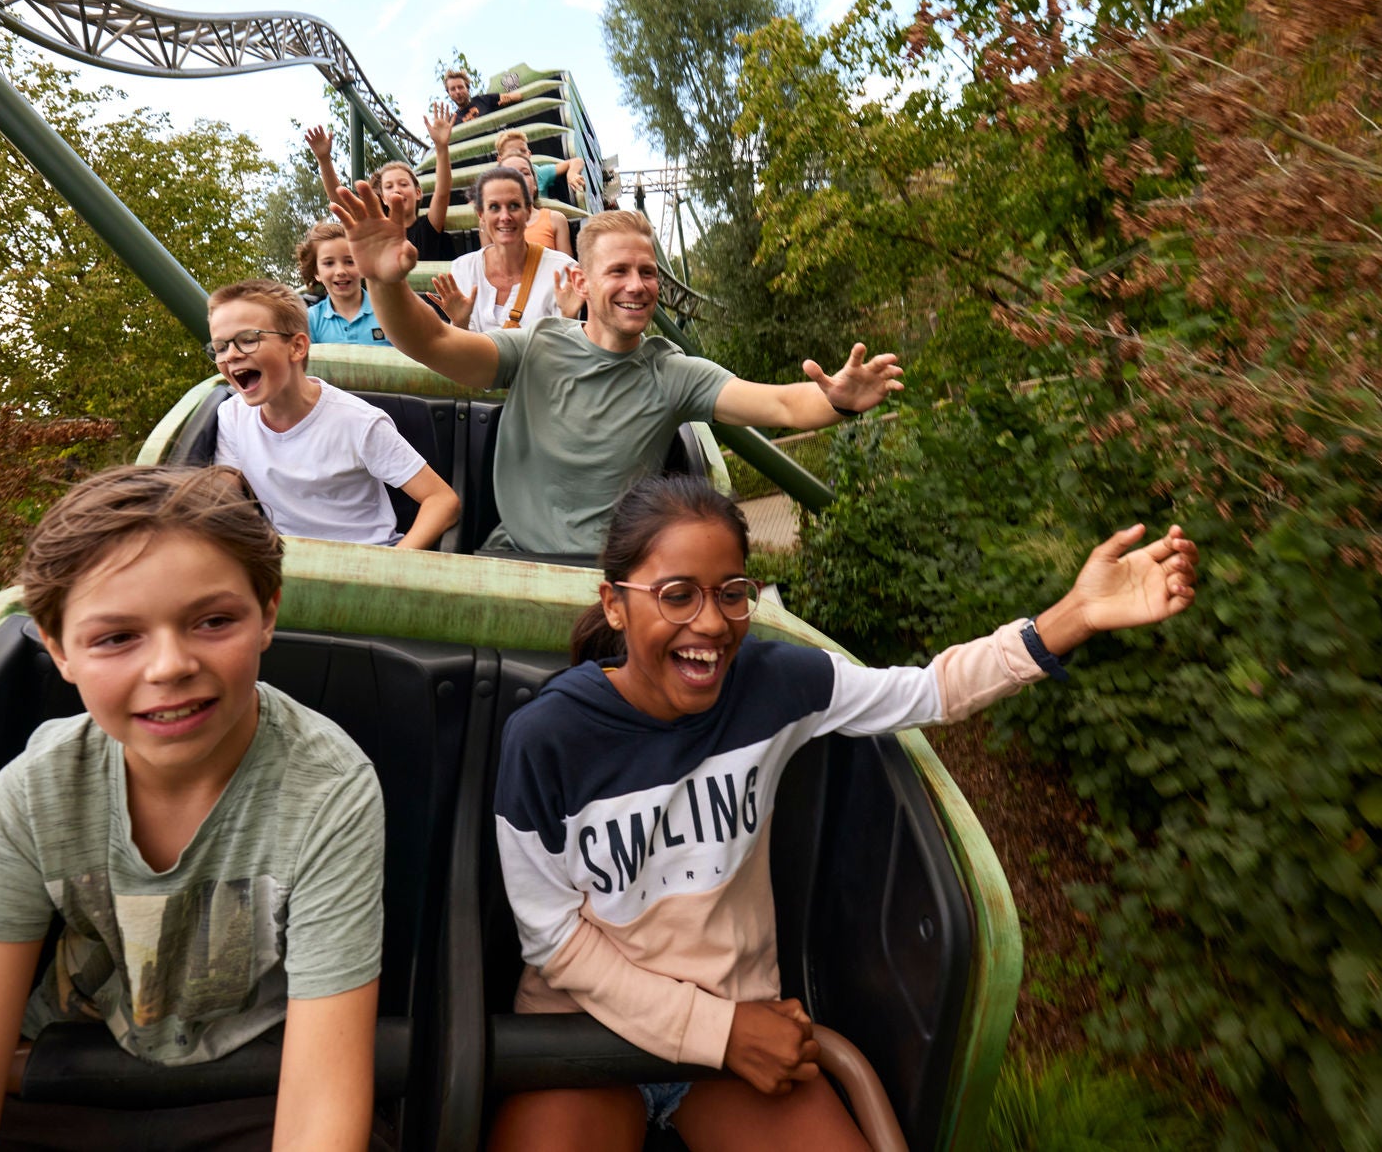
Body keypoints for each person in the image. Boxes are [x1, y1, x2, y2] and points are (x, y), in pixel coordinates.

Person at [490, 475, 1200, 1149]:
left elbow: (927, 692)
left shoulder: (774, 685)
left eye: (732, 593)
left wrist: (1067, 620)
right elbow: (554, 943)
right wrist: (721, 1031)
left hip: (740, 1029)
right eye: (676, 595)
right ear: (615, 603)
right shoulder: (549, 739)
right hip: (587, 1034)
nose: (709, 624)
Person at [0, 464, 385, 1152]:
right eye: (117, 637)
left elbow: (320, 1107)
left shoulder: (326, 789)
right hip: (60, 1074)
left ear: (267, 614)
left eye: (212, 621)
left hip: (249, 1090)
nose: (169, 665)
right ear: (57, 650)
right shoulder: (38, 791)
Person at [330, 183, 902, 558]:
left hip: (613, 572)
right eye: (619, 271)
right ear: (582, 281)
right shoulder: (536, 346)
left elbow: (779, 405)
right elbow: (430, 341)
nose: (637, 285)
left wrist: (840, 399)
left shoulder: (674, 372)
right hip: (517, 554)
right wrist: (384, 280)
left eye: (648, 272)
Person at [209, 279, 460, 550]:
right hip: (289, 564)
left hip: (367, 558)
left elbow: (442, 500)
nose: (231, 356)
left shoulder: (358, 421)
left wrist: (392, 565)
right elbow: (224, 500)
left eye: (247, 340)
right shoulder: (232, 417)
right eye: (220, 347)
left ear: (297, 347)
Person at [305, 107, 475, 262]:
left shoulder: (427, 227)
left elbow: (443, 191)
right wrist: (324, 160)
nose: (397, 190)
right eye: (389, 186)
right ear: (383, 199)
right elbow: (340, 199)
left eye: (403, 184)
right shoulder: (379, 228)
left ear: (417, 193)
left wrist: (441, 147)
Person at [428, 166, 583, 334]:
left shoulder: (561, 270)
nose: (505, 217)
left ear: (528, 212)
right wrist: (460, 324)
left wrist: (569, 319)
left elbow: (564, 353)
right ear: (481, 215)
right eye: (494, 207)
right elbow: (462, 354)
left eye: (514, 206)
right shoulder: (464, 268)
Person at [303, 221, 388, 347]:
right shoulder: (312, 319)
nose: (341, 271)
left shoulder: (387, 311)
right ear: (316, 273)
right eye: (329, 263)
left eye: (350, 261)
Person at [493, 127, 585, 207]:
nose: (519, 155)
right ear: (500, 160)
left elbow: (576, 161)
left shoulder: (539, 173)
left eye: (523, 151)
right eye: (512, 153)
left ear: (529, 154)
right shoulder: (495, 183)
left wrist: (572, 173)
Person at [444, 68, 529, 123]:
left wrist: (508, 99)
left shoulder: (483, 100)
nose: (457, 91)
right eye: (453, 89)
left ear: (467, 88)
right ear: (449, 93)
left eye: (460, 87)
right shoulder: (452, 120)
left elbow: (517, 96)